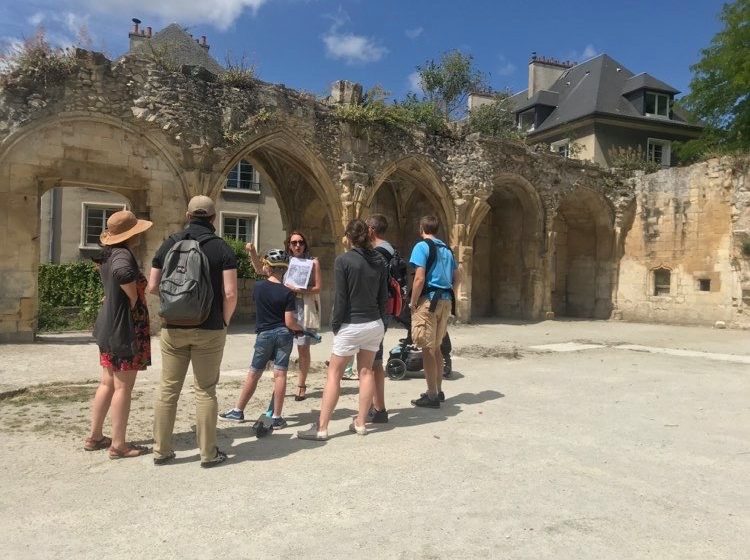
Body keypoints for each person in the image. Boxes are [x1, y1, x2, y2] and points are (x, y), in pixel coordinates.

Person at [148, 195, 238, 468]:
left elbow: (152, 286)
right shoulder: (221, 249)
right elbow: (231, 292)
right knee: (205, 390)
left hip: (173, 328)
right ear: (213, 218)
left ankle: (162, 451)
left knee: (168, 388)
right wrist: (223, 320)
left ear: (187, 215)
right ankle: (208, 453)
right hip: (209, 328)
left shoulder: (169, 243)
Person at [297, 219, 387, 441]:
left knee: (334, 373)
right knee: (366, 372)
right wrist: (382, 322)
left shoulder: (343, 260)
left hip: (352, 323)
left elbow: (341, 297)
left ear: (348, 237)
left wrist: (336, 324)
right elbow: (383, 296)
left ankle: (322, 427)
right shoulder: (379, 260)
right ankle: (361, 423)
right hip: (374, 323)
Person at [87, 210, 153, 459]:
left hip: (108, 326)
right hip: (124, 329)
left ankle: (95, 436)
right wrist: (134, 296)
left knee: (107, 382)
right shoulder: (123, 254)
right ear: (130, 234)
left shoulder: (108, 254)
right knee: (123, 387)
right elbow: (124, 274)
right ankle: (119, 444)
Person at [219, 249, 303, 427]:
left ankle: (238, 410)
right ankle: (277, 417)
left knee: (254, 373)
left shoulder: (258, 287)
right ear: (285, 270)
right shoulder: (288, 292)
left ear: (268, 268)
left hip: (264, 334)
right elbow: (289, 321)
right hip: (283, 335)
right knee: (280, 374)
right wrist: (300, 329)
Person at [408, 215, 460, 408]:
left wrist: (413, 302)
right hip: (445, 300)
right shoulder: (446, 249)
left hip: (429, 300)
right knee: (436, 347)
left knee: (427, 348)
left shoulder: (421, 246)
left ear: (421, 228)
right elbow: (457, 276)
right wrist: (449, 291)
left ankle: (431, 395)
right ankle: (437, 390)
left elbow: (419, 278)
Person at [364, 213, 398, 423]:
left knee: (370, 362)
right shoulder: (390, 248)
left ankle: (372, 408)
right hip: (384, 309)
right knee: (375, 360)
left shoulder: (378, 253)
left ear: (371, 230)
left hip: (376, 310)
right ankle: (378, 408)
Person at [284, 231, 322, 401]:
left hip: (303, 307)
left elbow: (318, 287)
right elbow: (262, 271)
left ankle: (301, 384)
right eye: (294, 243)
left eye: (300, 242)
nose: (297, 245)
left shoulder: (313, 262)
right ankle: (280, 382)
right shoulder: (284, 262)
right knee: (282, 346)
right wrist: (253, 253)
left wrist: (301, 290)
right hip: (285, 307)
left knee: (302, 347)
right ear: (289, 245)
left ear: (305, 244)